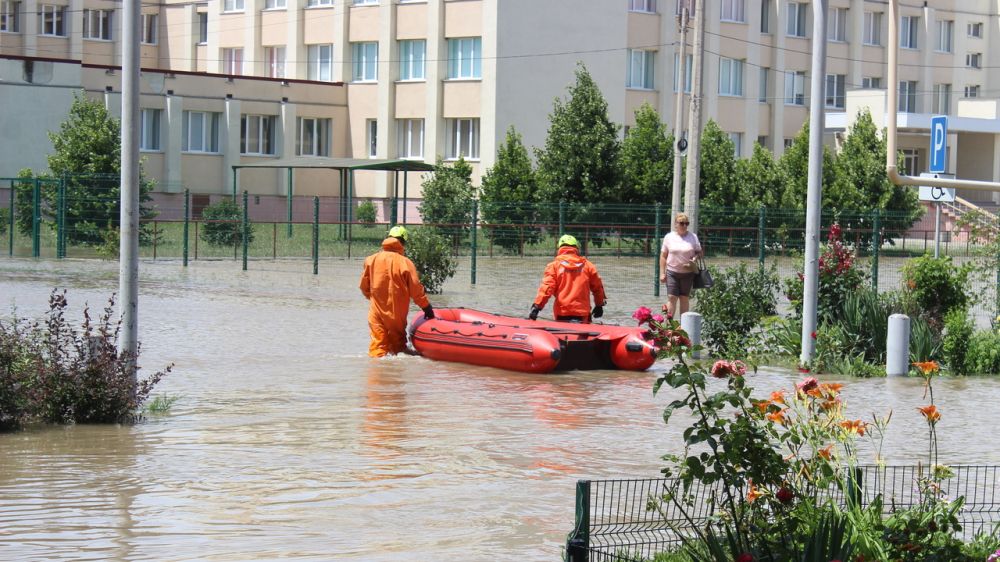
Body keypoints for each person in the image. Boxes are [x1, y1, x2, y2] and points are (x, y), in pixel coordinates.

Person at [359, 225, 434, 357]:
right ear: (403, 242)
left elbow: (364, 286)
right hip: (396, 314)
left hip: (375, 312)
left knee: (377, 348)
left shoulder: (371, 259)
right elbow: (416, 290)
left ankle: (375, 376)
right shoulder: (405, 263)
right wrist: (426, 307)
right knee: (398, 350)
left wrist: (373, 298)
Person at [529, 234, 607, 323]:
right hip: (583, 314)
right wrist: (599, 305)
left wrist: (537, 307)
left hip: (562, 313)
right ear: (576, 248)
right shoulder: (588, 266)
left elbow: (547, 288)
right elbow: (598, 288)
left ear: (559, 248)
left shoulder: (554, 266)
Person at [659, 213, 703, 320]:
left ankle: (684, 327)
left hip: (688, 273)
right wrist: (662, 273)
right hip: (672, 272)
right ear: (676, 224)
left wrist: (695, 258)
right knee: (672, 297)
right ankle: (669, 326)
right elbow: (663, 256)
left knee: (684, 298)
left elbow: (700, 253)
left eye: (686, 223)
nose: (684, 226)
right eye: (681, 223)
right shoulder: (669, 237)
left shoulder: (693, 237)